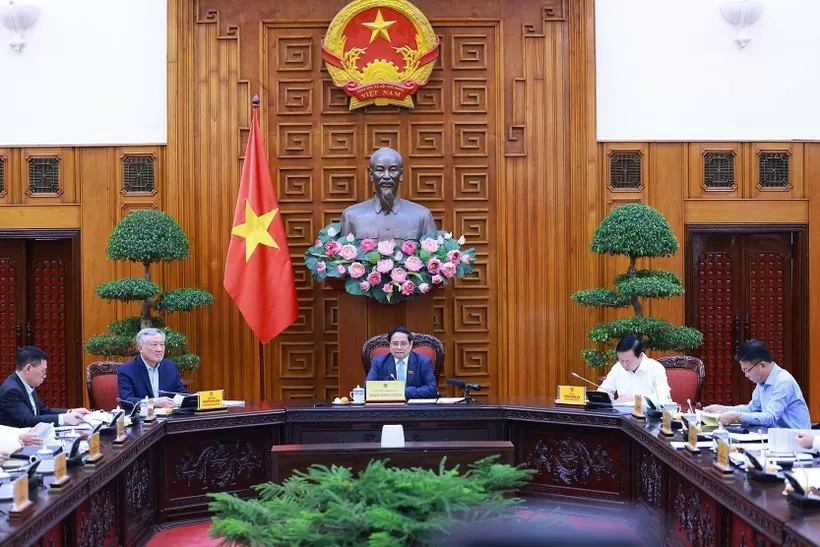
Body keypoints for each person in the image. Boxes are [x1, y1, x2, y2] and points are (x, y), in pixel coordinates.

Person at [704, 339, 810, 429]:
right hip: (777, 436)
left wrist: (738, 416)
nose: (746, 375)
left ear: (762, 365)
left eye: (747, 370)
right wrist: (725, 409)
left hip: (796, 439)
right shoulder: (762, 381)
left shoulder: (783, 381)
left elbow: (771, 417)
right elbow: (752, 409)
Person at [340, 147, 437, 241]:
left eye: (393, 170)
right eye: (380, 170)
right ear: (371, 175)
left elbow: (434, 251)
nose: (386, 176)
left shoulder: (422, 216)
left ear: (401, 175)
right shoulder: (351, 216)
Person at [0, 346, 89, 428]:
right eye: (43, 371)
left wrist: (71, 412)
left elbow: (43, 410)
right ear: (28, 369)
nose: (45, 376)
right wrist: (64, 419)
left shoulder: (26, 385)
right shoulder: (12, 391)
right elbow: (28, 421)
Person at [117, 328, 190, 408]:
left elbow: (181, 393)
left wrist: (193, 398)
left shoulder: (170, 366)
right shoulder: (126, 370)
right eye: (154, 345)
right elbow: (126, 400)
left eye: (162, 344)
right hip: (143, 415)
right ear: (140, 348)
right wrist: (152, 402)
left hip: (169, 414)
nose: (159, 349)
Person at [597, 334, 672, 405]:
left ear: (640, 355)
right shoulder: (617, 367)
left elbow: (664, 398)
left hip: (647, 413)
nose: (624, 365)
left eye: (628, 361)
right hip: (623, 413)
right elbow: (604, 390)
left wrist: (634, 398)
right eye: (621, 360)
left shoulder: (655, 368)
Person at [365, 326, 438, 399]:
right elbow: (368, 388)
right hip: (388, 404)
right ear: (390, 345)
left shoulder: (423, 362)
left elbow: (432, 389)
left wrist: (400, 391)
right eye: (395, 344)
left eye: (403, 343)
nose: (399, 347)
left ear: (410, 344)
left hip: (413, 404)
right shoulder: (378, 362)